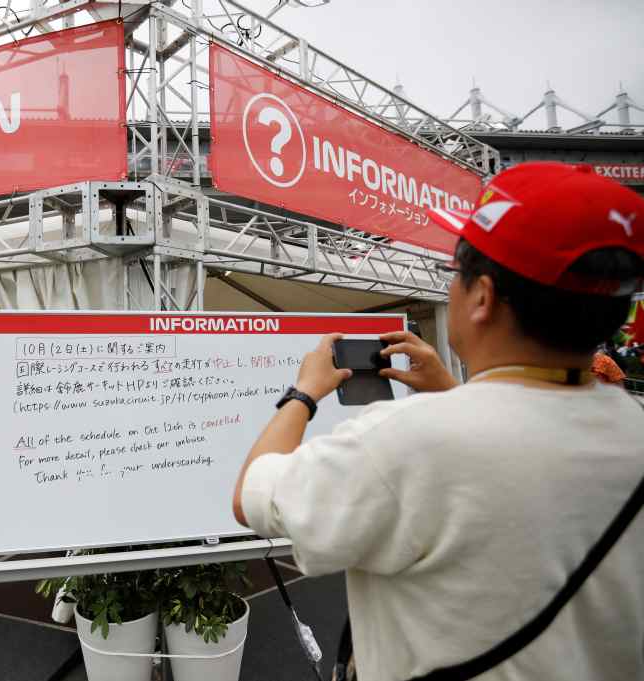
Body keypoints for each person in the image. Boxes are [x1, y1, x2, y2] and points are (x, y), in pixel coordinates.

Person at [232, 163, 644, 680]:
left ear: (482, 298)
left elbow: (251, 494)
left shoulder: (402, 441)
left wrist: (304, 393)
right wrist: (454, 393)